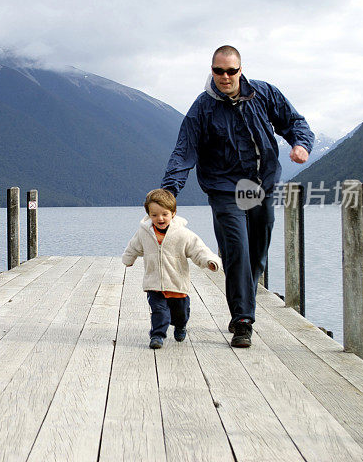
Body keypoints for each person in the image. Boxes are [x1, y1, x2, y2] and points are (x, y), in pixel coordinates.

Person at [161, 45, 314, 348]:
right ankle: (243, 320)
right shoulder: (202, 108)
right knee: (237, 249)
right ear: (212, 70)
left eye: (232, 70)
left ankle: (245, 296)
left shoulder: (264, 93)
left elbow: (293, 122)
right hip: (223, 188)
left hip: (260, 185)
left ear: (241, 70)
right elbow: (184, 151)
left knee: (256, 254)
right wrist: (169, 191)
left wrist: (301, 144)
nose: (226, 76)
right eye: (219, 71)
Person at [122, 188, 221, 349]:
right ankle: (157, 336)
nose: (159, 218)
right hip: (154, 283)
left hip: (177, 283)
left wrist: (209, 261)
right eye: (154, 215)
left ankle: (181, 326)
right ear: (148, 215)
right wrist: (128, 259)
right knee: (159, 311)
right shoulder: (144, 232)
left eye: (164, 214)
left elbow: (198, 249)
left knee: (180, 313)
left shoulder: (183, 234)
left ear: (173, 213)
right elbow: (133, 246)